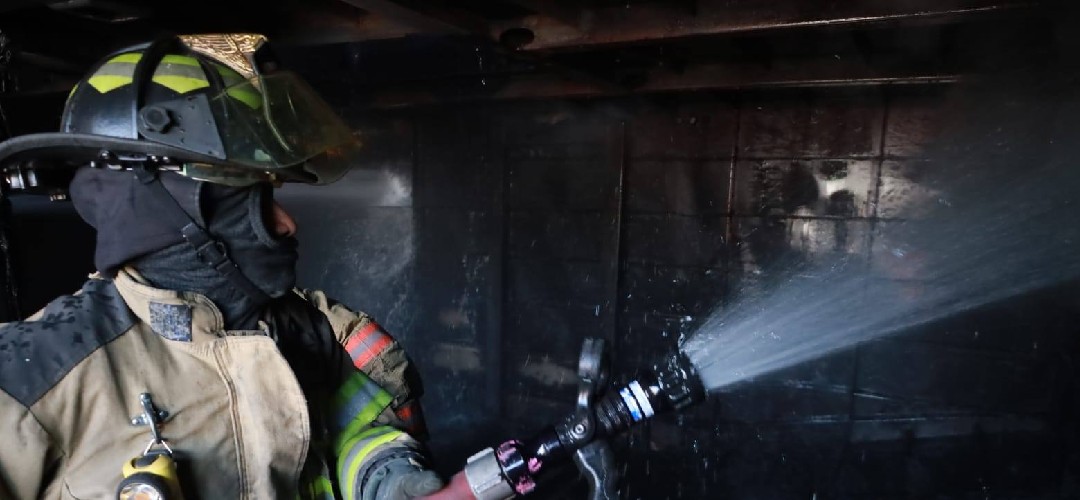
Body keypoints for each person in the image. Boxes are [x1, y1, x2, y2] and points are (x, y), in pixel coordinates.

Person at [0, 33, 474, 499]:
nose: (286, 225)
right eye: (253, 202)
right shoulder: (33, 379)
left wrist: (387, 478)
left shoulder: (311, 332)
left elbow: (357, 431)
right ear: (173, 210)